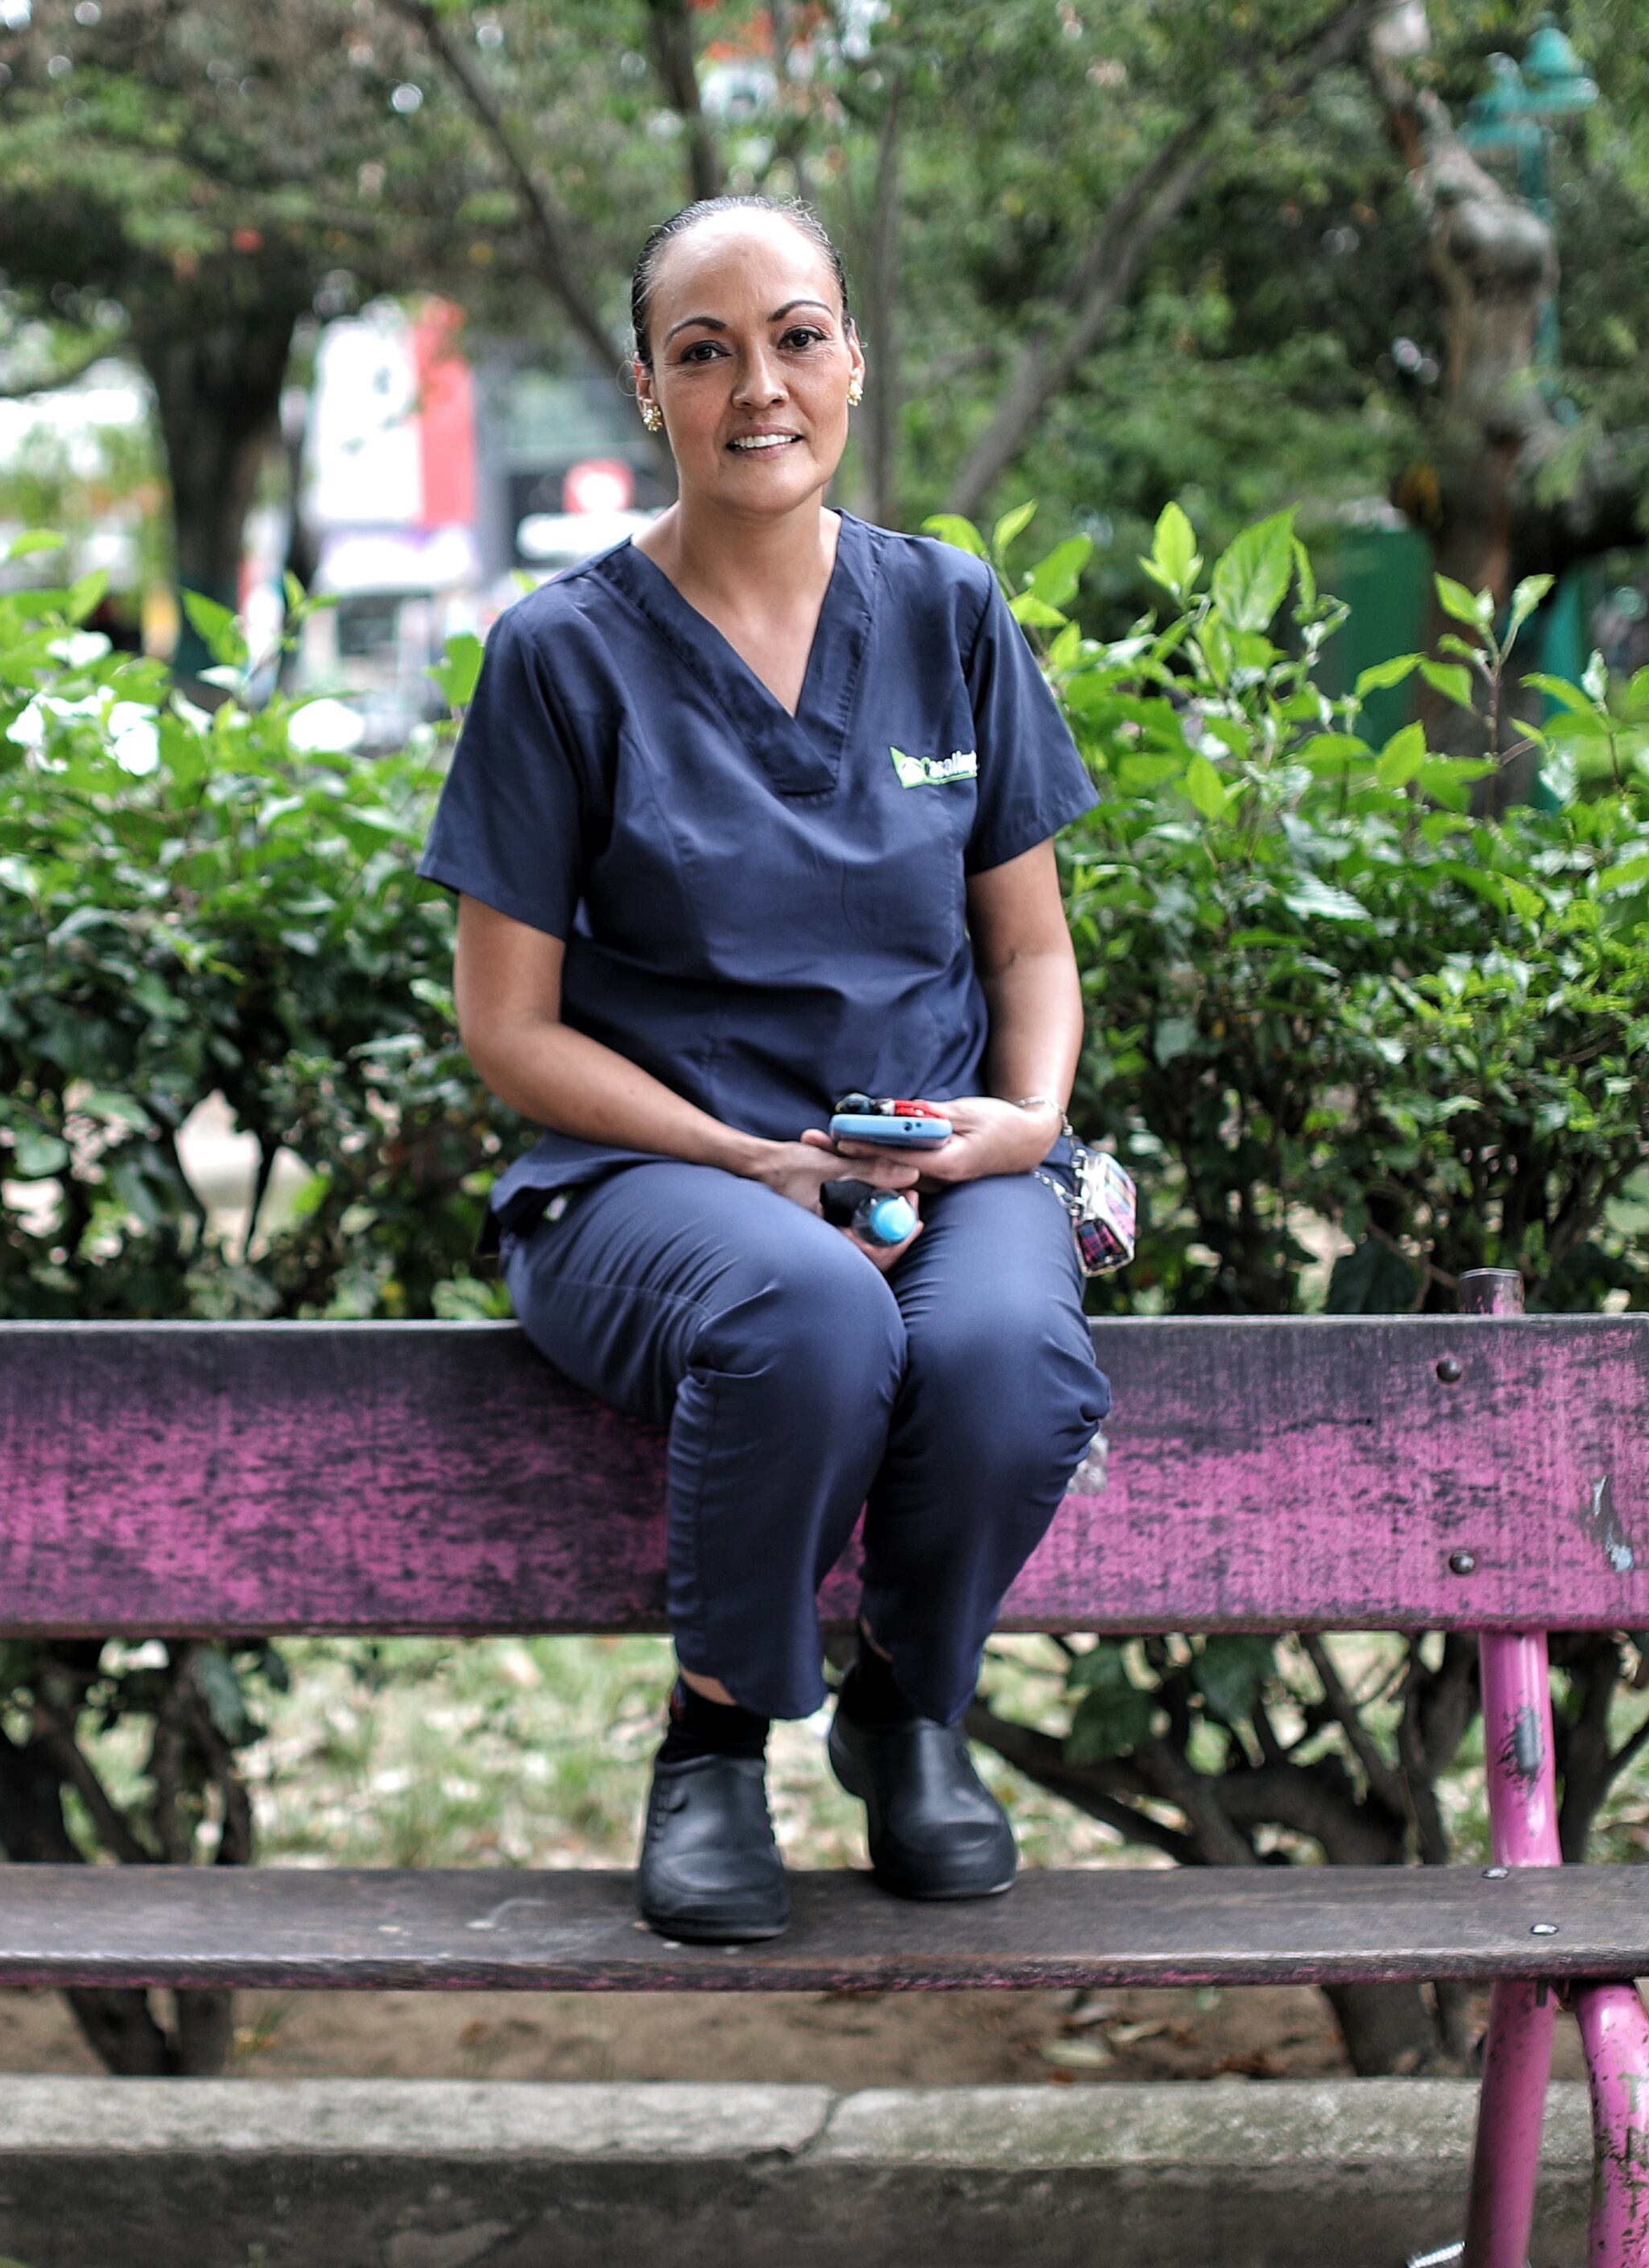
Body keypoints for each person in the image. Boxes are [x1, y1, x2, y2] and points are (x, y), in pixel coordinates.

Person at [424, 194, 1110, 1945]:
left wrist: (1026, 1123)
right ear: (645, 388)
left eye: (797, 338)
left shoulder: (948, 611)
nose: (759, 388)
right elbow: (508, 1027)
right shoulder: (560, 656)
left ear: (853, 362)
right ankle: (715, 1739)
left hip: (938, 1152)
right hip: (651, 1179)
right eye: (704, 351)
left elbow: (1029, 953)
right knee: (807, 1312)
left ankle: (908, 1708)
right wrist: (747, 1161)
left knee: (1009, 1356)